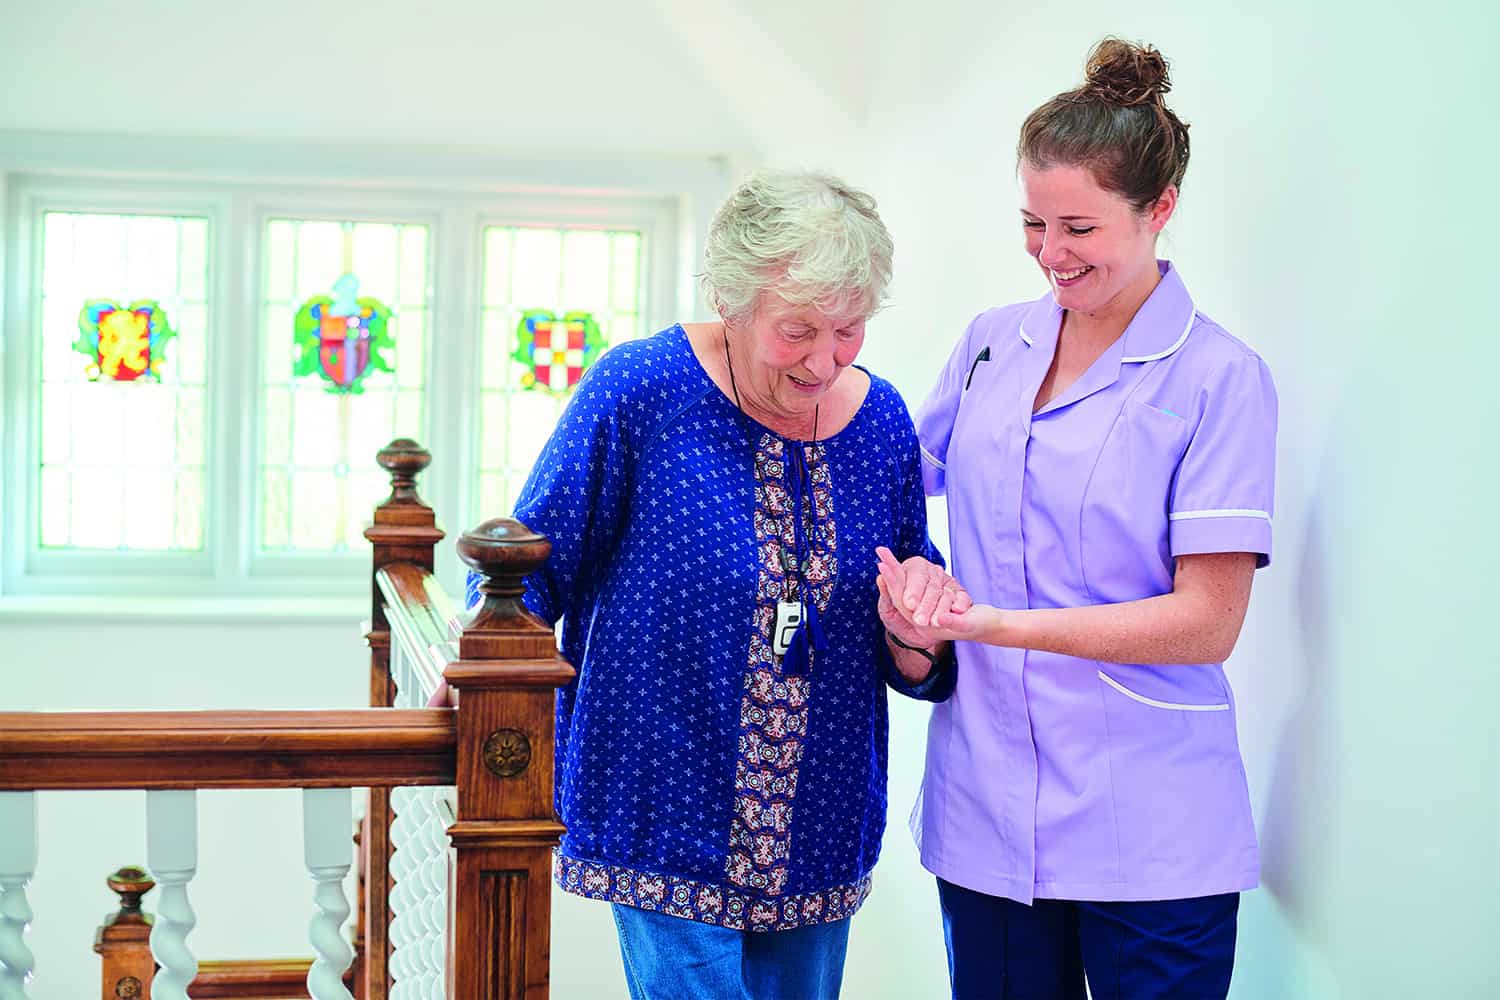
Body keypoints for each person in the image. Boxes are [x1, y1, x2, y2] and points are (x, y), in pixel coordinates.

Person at [477, 171, 957, 1000]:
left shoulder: (881, 422)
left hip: (820, 812)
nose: (823, 359)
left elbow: (913, 620)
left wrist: (917, 634)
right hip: (662, 798)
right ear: (730, 301)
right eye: (796, 330)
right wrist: (480, 683)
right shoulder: (640, 389)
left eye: (848, 329)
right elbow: (532, 569)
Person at [874, 39, 1278, 1000]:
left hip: (1152, 827)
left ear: (1160, 210)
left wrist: (991, 626)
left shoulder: (1220, 378)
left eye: (1079, 227)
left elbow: (1207, 623)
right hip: (986, 812)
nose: (1051, 253)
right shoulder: (989, 347)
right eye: (1033, 223)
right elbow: (886, 485)